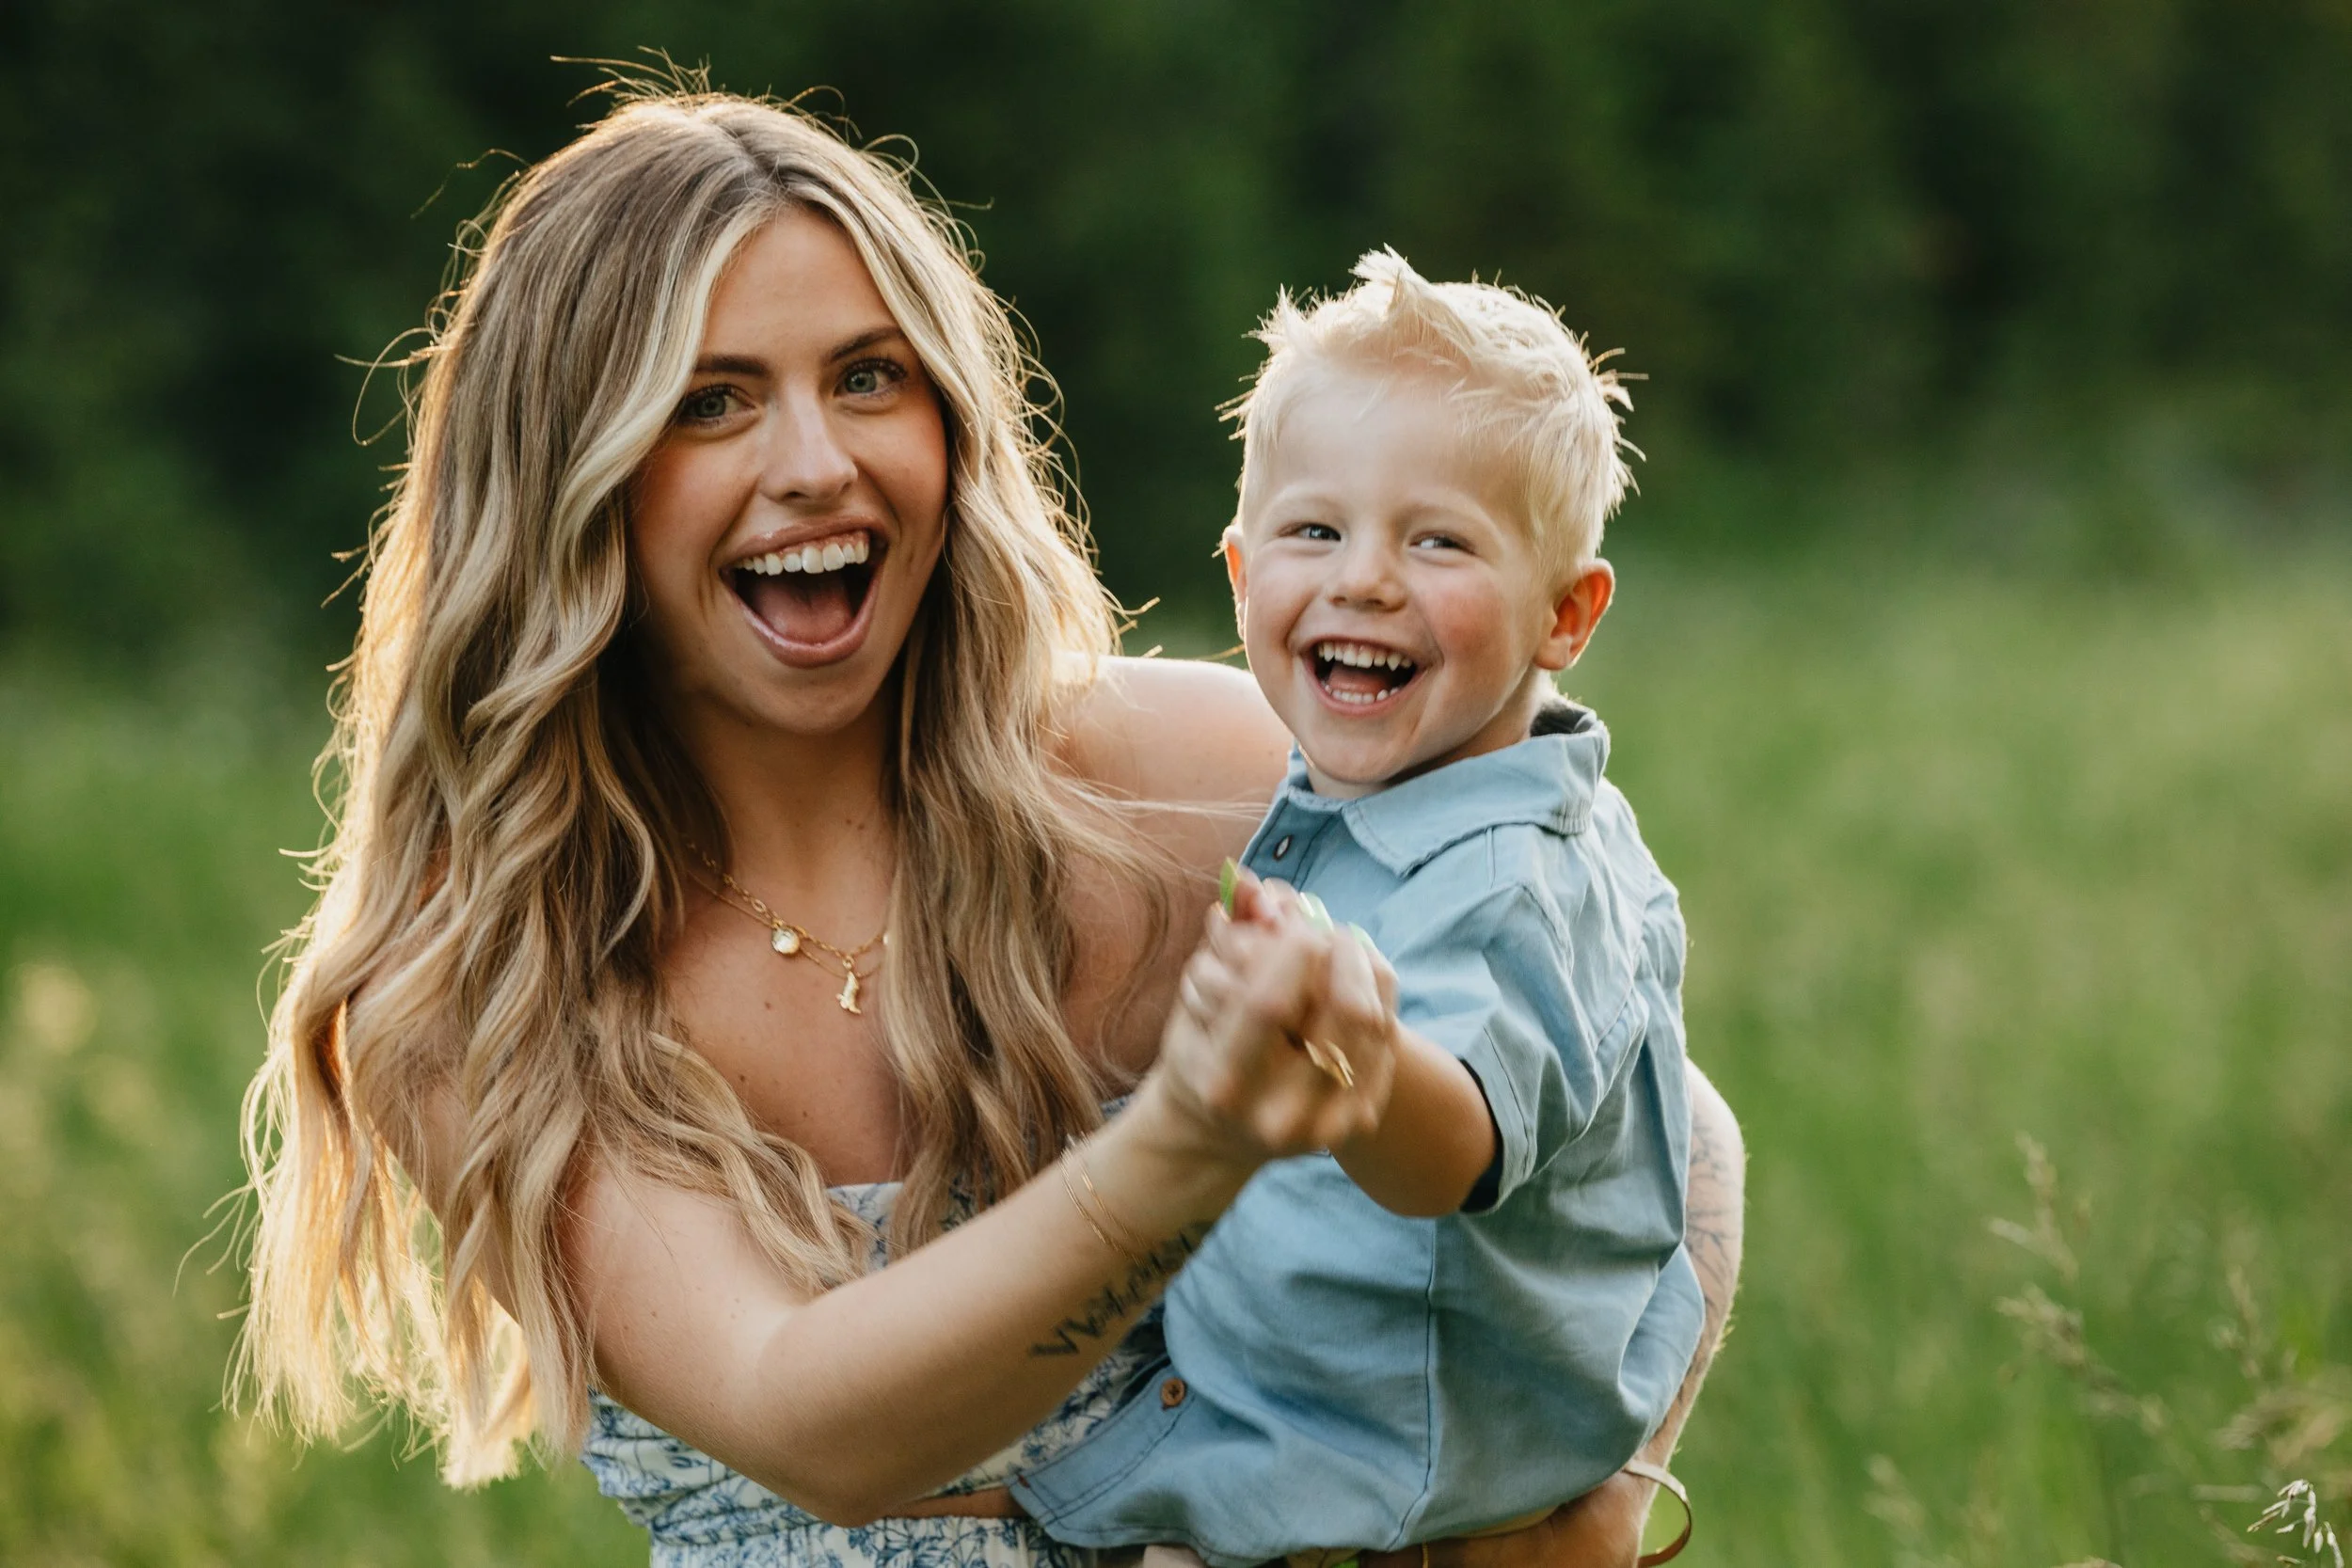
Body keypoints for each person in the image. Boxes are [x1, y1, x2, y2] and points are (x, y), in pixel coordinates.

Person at [236, 83, 1743, 1568]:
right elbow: (811, 1424)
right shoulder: (475, 985)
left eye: (872, 377)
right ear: (572, 480)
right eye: (713, 400)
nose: (818, 460)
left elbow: (1665, 1127)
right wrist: (1186, 1148)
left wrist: (1586, 1506)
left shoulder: (1200, 780)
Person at [1010, 252, 1701, 1567]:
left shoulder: (1509, 878)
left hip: (1387, 1478)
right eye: (1314, 532)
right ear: (1239, 576)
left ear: (1568, 611)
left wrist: (1358, 1058)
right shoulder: (1360, 796)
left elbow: (1452, 1156)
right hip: (1326, 1403)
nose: (1364, 579)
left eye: (1437, 539)